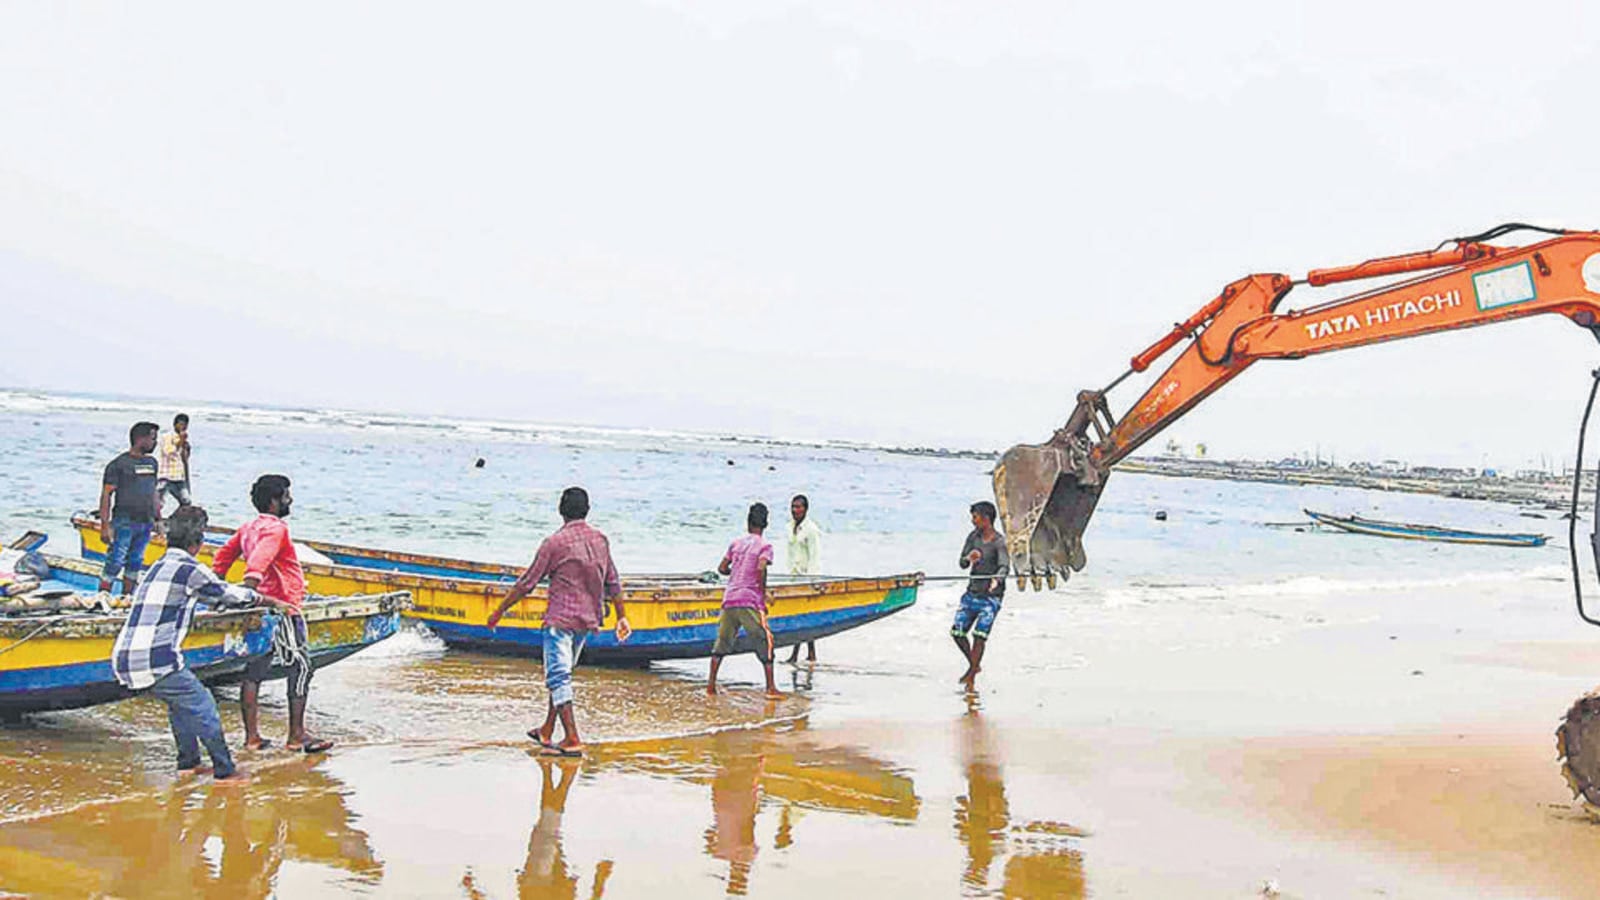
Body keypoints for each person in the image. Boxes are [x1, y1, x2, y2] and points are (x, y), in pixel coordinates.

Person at [111, 505, 255, 784]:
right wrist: (261, 598)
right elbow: (228, 594)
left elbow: (207, 596)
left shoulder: (158, 566)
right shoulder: (190, 568)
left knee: (181, 704)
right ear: (198, 543)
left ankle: (188, 764)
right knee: (203, 705)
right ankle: (225, 770)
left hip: (126, 656)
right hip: (155, 659)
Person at [488, 486, 631, 758]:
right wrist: (622, 616)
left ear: (560, 511)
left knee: (558, 676)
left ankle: (573, 738)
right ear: (587, 510)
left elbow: (527, 583)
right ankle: (547, 729)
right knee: (562, 673)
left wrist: (499, 611)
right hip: (587, 619)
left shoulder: (554, 543)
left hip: (561, 620)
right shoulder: (600, 539)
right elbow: (612, 580)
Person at [212, 474, 332, 754]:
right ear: (274, 501)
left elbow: (222, 558)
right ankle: (296, 735)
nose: (290, 500)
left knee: (254, 671)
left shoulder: (248, 527)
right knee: (301, 667)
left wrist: (218, 587)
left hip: (259, 608)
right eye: (287, 496)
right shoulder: (277, 529)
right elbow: (258, 562)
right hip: (283, 608)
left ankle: (252, 737)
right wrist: (250, 585)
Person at [707, 502, 782, 699]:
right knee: (765, 640)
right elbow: (761, 568)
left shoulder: (736, 544)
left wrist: (737, 572)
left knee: (721, 643)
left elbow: (722, 568)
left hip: (729, 599)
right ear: (765, 524)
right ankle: (771, 688)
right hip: (749, 600)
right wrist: (763, 593)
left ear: (748, 522)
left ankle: (711, 686)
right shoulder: (765, 546)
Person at [98, 421, 161, 595]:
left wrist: (158, 518)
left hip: (145, 523)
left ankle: (126, 600)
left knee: (135, 562)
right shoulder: (118, 464)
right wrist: (105, 526)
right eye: (152, 438)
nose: (155, 443)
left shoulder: (152, 463)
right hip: (124, 522)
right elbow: (106, 495)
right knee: (115, 561)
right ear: (140, 439)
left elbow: (154, 492)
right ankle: (101, 599)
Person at [952, 501, 1008, 689]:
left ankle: (971, 675)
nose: (972, 521)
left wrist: (996, 580)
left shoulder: (999, 542)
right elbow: (962, 563)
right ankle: (974, 666)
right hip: (972, 592)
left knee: (979, 635)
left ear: (986, 519)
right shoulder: (973, 538)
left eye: (975, 517)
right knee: (957, 632)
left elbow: (1004, 566)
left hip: (991, 598)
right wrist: (968, 559)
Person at [784, 494, 822, 665]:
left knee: (804, 617)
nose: (795, 510)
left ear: (805, 509)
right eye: (793, 507)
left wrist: (813, 581)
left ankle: (800, 654)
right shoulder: (789, 527)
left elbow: (815, 556)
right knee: (800, 616)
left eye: (799, 507)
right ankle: (808, 653)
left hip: (806, 578)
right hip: (794, 576)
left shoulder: (811, 530)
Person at [156, 413, 193, 518]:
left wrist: (186, 448)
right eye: (181, 424)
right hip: (166, 476)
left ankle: (177, 520)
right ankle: (155, 521)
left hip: (178, 477)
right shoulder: (167, 437)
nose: (183, 427)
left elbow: (184, 459)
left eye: (185, 425)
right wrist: (180, 442)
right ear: (175, 424)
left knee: (186, 501)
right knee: (158, 503)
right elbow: (168, 452)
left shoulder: (183, 441)